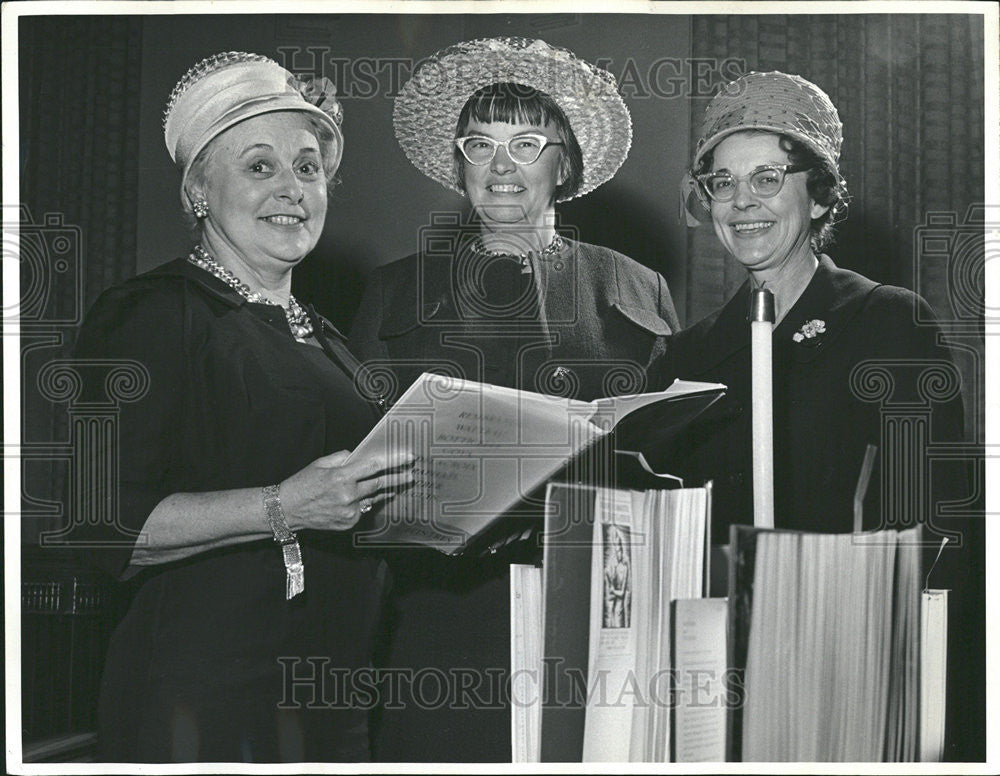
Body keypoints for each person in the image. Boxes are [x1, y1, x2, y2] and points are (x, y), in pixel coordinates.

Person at [72, 52, 413, 762]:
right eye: (260, 167)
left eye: (308, 166)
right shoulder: (154, 314)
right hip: (208, 700)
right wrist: (283, 505)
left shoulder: (323, 333)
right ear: (198, 191)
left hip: (330, 698)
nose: (292, 187)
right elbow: (101, 523)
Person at [348, 37, 679, 761]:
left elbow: (671, 453)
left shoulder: (635, 285)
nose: (501, 167)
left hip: (593, 603)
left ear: (565, 167)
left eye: (526, 144)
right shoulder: (394, 290)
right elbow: (352, 460)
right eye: (480, 144)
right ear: (458, 163)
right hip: (438, 610)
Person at [657, 71, 980, 758]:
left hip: (851, 678)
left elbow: (939, 526)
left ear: (820, 191)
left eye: (768, 178)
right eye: (723, 182)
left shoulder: (886, 322)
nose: (742, 202)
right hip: (713, 685)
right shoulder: (685, 355)